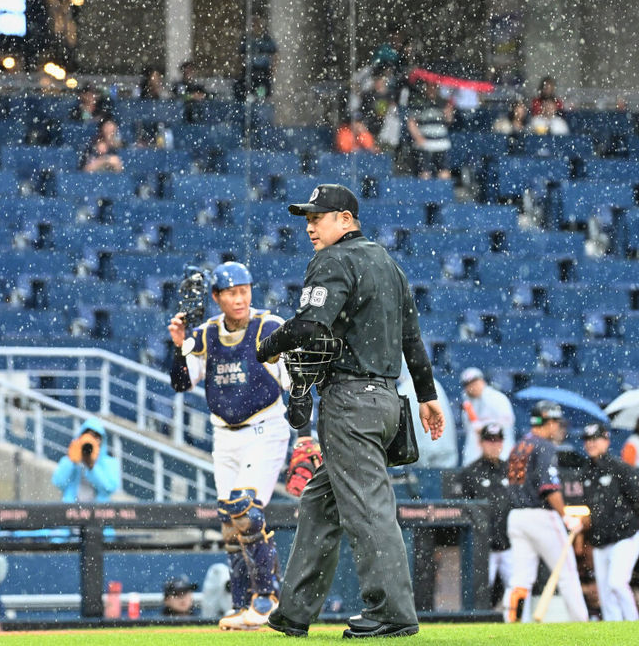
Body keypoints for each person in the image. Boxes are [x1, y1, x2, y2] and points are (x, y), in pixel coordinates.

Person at [253, 183, 445, 638]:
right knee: (321, 501)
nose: (309, 227)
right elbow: (411, 338)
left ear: (345, 218)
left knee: (368, 509)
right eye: (307, 219)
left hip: (351, 401)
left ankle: (392, 612)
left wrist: (267, 346)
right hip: (385, 401)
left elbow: (311, 325)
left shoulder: (334, 259)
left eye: (317, 218)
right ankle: (294, 610)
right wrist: (426, 394)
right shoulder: (388, 264)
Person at [167, 261, 292, 631]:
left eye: (244, 290)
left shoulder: (268, 328)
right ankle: (241, 604)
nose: (240, 299)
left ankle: (267, 598)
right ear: (216, 297)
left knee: (245, 508)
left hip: (264, 428)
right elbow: (181, 383)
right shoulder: (206, 334)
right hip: (225, 435)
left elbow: (293, 380)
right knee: (228, 522)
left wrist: (304, 436)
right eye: (231, 293)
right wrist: (178, 346)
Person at [503, 401, 589, 623]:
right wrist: (566, 516)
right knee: (568, 572)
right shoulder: (544, 446)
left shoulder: (518, 446)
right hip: (540, 515)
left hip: (516, 516)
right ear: (548, 422)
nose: (559, 428)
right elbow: (548, 488)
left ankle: (512, 624)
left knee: (521, 578)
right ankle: (583, 624)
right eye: (557, 423)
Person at [578, 422, 639, 621]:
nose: (591, 444)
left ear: (606, 441)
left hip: (625, 536)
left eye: (595, 439)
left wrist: (626, 522)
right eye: (587, 440)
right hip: (601, 540)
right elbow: (593, 507)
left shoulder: (619, 467)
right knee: (605, 593)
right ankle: (614, 634)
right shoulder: (586, 472)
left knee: (617, 582)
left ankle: (634, 625)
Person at [459, 423, 513, 606]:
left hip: (509, 544)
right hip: (482, 546)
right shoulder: (470, 472)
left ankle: (521, 627)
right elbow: (461, 511)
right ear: (481, 443)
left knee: (518, 591)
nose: (494, 445)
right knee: (478, 595)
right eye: (489, 440)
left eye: (497, 441)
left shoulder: (511, 470)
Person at [51, 417, 120, 502]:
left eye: (96, 437)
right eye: (88, 436)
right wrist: (71, 461)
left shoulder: (110, 462)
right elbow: (58, 483)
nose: (91, 441)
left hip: (99, 512)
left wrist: (92, 467)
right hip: (71, 511)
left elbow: (109, 489)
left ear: (102, 440)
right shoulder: (69, 460)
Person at [458, 367, 515, 466]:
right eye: (468, 384)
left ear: (482, 381)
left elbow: (508, 422)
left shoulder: (498, 398)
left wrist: (485, 428)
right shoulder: (467, 404)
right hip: (476, 458)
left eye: (474, 382)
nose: (472, 387)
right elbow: (470, 431)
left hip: (501, 454)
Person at [406, 81, 453, 180]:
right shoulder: (419, 102)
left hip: (441, 143)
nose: (432, 89)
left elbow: (448, 121)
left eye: (435, 87)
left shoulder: (443, 103)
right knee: (424, 173)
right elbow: (411, 122)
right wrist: (418, 137)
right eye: (430, 86)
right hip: (425, 143)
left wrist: (448, 112)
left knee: (444, 172)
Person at [238, 15, 277, 99]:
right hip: (249, 72)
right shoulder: (246, 40)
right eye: (252, 25)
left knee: (261, 96)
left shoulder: (267, 40)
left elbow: (275, 55)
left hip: (263, 73)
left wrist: (273, 70)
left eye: (257, 25)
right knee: (246, 95)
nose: (255, 28)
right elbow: (240, 56)